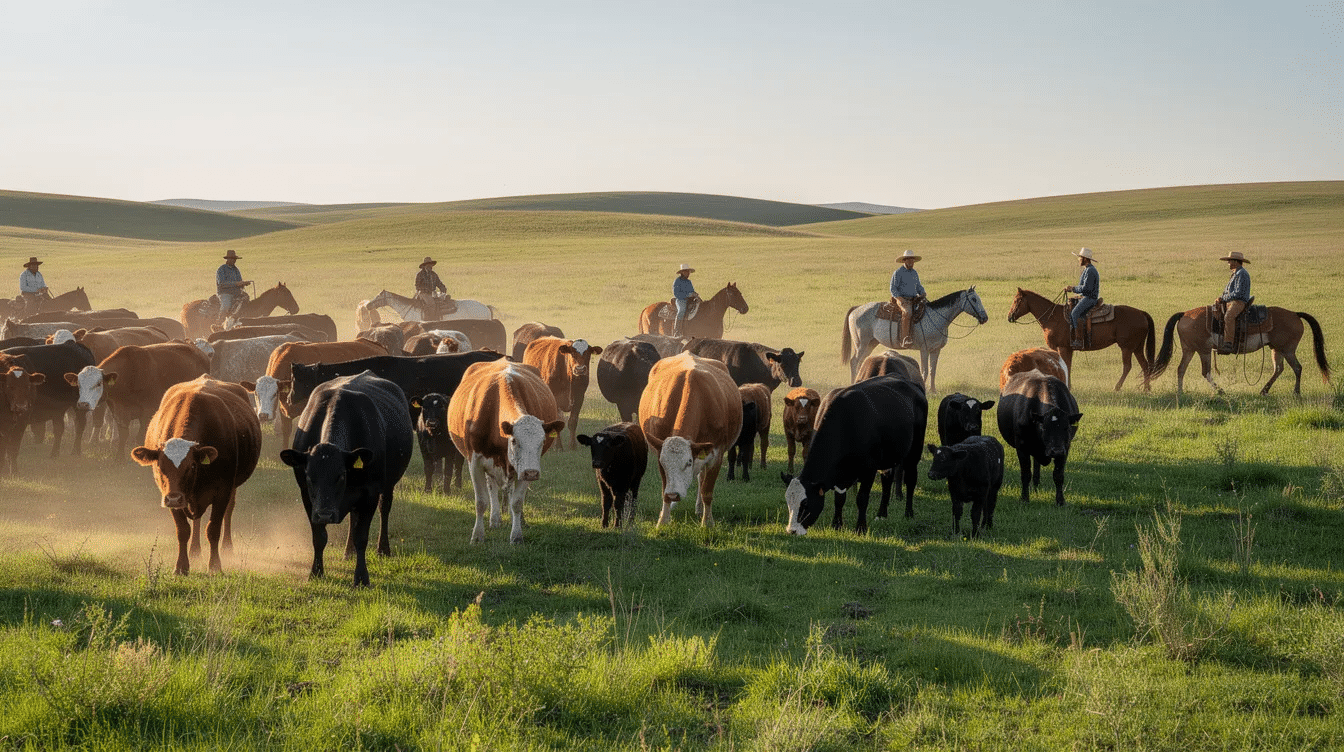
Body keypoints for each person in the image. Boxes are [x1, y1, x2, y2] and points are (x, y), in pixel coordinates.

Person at [1062, 247, 1099, 349]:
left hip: (1090, 298)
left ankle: (1079, 340)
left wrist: (1072, 288)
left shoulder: (1090, 271)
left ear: (1085, 259)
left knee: (1074, 313)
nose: (1078, 260)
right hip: (1086, 296)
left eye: (1080, 258)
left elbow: (1087, 288)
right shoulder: (1087, 270)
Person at [1216, 251, 1251, 354]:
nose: (1228, 263)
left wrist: (1223, 298)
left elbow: (1238, 293)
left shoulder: (1241, 274)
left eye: (1229, 261)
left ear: (1235, 262)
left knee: (1229, 317)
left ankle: (1228, 343)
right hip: (1232, 300)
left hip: (1238, 302)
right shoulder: (1236, 273)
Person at [888, 249, 925, 348]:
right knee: (907, 312)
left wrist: (922, 292)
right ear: (904, 261)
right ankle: (905, 339)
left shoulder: (914, 273)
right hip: (902, 299)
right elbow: (893, 288)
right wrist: (900, 299)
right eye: (908, 260)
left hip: (913, 298)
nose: (911, 262)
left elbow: (918, 286)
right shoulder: (898, 273)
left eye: (912, 260)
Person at [216, 250, 252, 318]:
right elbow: (221, 283)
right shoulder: (221, 269)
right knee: (226, 306)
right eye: (232, 259)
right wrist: (236, 283)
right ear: (228, 259)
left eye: (234, 259)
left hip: (237, 293)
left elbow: (239, 281)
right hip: (225, 293)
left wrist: (243, 283)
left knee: (246, 300)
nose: (234, 260)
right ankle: (220, 320)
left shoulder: (236, 270)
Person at [672, 263, 698, 336]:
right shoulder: (677, 281)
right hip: (681, 300)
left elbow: (691, 290)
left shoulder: (689, 282)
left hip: (690, 300)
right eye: (686, 272)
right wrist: (688, 295)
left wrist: (694, 294)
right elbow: (676, 294)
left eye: (688, 272)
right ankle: (677, 330)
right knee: (681, 310)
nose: (688, 273)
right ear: (682, 272)